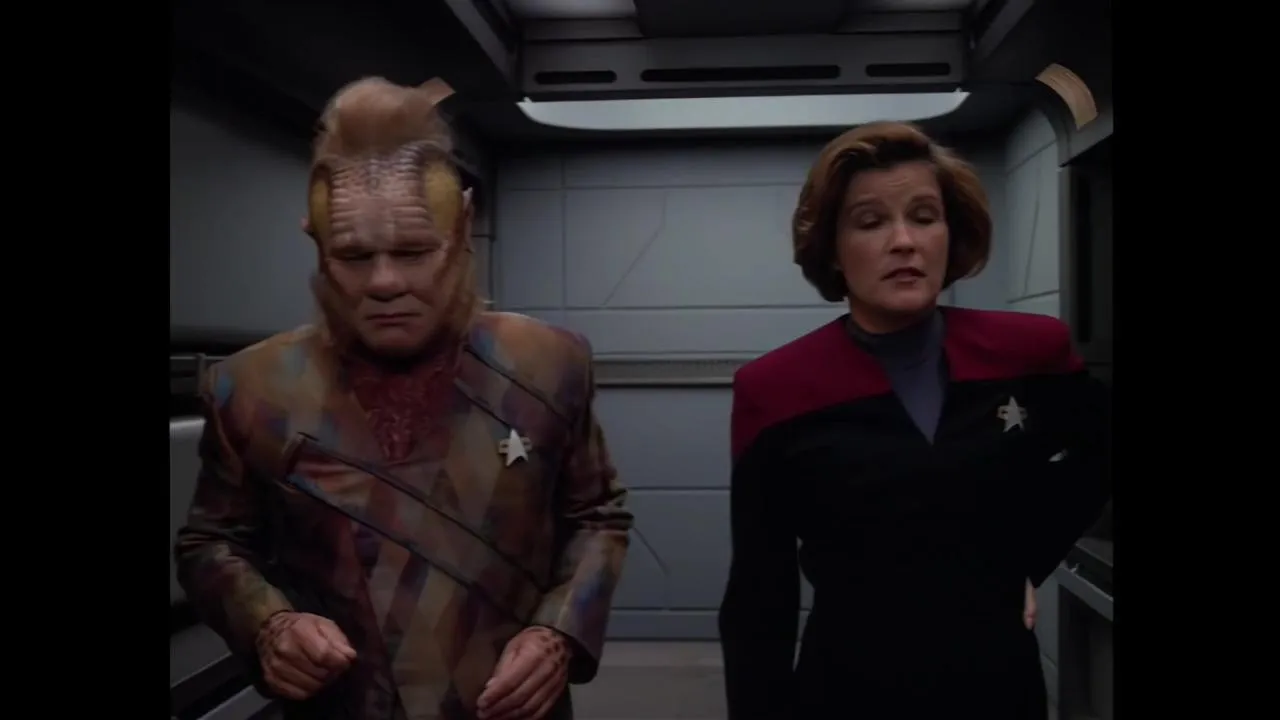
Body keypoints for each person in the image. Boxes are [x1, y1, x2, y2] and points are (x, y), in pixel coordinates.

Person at [174, 77, 632, 720]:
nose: (385, 282)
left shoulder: (548, 363)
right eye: (354, 256)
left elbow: (597, 516)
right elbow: (210, 542)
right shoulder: (252, 387)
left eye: (414, 251)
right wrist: (269, 624)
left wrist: (558, 632)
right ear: (316, 242)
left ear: (463, 225)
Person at [717, 122, 1110, 719]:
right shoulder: (774, 389)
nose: (904, 241)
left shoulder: (1028, 352)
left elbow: (1100, 452)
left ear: (952, 233)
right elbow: (758, 596)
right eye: (870, 221)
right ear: (832, 247)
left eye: (924, 217)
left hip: (998, 686)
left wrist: (1024, 559)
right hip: (846, 689)